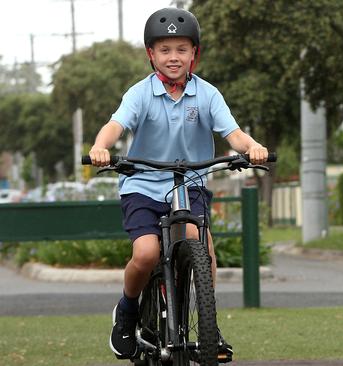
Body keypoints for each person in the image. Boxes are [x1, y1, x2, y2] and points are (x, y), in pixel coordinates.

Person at [88, 7, 268, 361]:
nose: (174, 57)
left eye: (182, 49)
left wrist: (253, 148)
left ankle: (209, 330)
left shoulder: (207, 94)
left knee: (204, 248)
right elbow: (115, 125)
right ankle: (126, 311)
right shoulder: (140, 93)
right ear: (151, 54)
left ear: (194, 54)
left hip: (190, 185)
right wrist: (100, 146)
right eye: (165, 50)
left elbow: (233, 133)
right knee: (146, 253)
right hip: (142, 185)